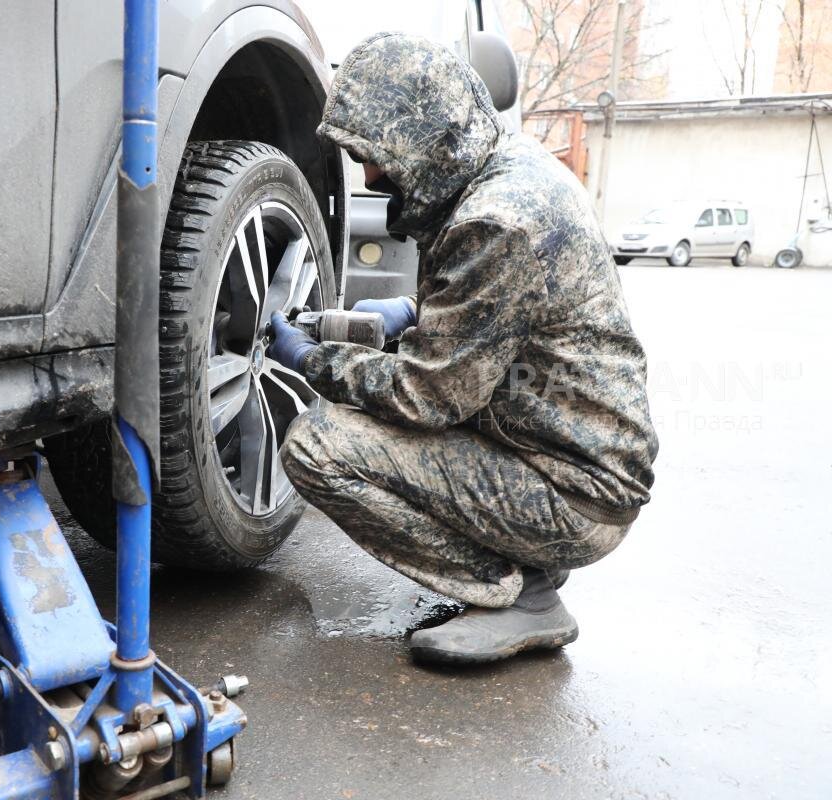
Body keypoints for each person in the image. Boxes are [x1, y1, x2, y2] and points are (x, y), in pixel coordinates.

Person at [267, 33, 658, 665]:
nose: (368, 176)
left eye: (373, 155)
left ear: (422, 135)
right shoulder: (509, 167)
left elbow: (426, 396)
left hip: (573, 494)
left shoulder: (496, 221)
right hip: (563, 452)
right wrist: (416, 313)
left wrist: (315, 361)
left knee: (318, 445)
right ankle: (522, 561)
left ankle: (522, 595)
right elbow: (507, 312)